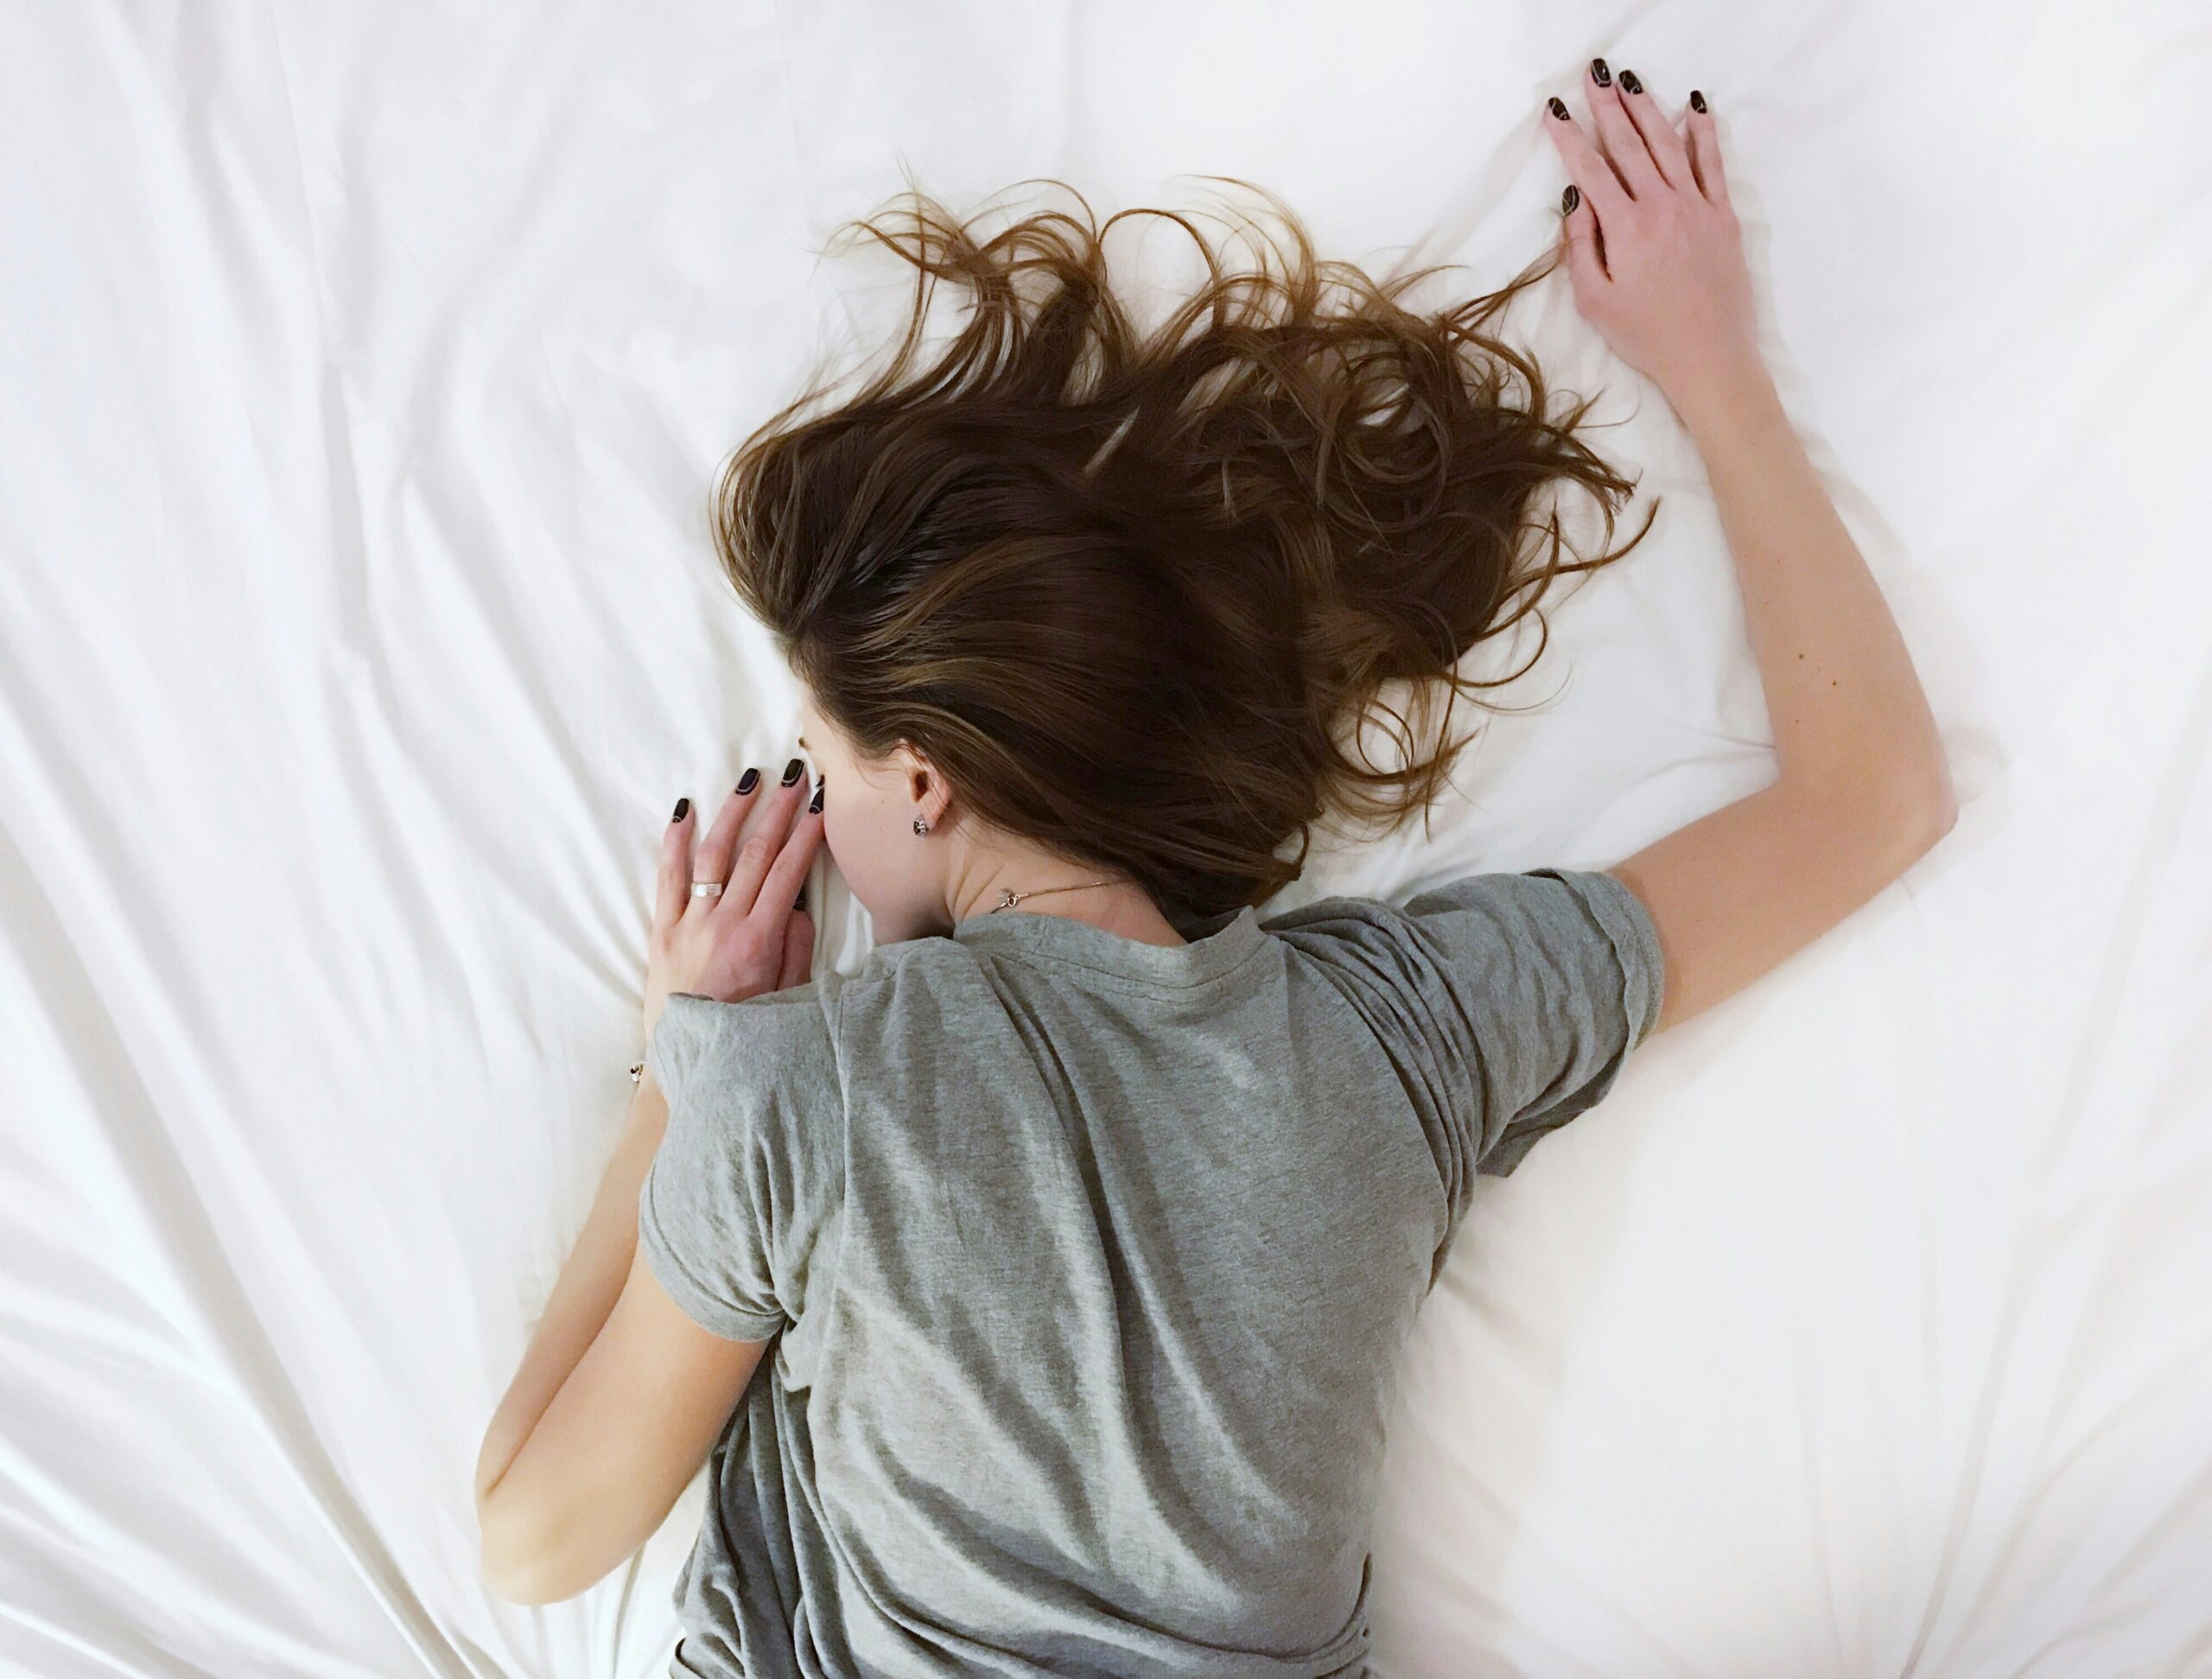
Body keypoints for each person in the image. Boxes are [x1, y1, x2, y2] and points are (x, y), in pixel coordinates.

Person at [474, 56, 1955, 1679]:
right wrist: (1712, 369)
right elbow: (1875, 797)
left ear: (928, 777)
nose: (816, 816)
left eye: (822, 767)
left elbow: (534, 1538)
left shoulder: (800, 1091)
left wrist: (680, 1060)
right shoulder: (1404, 1035)